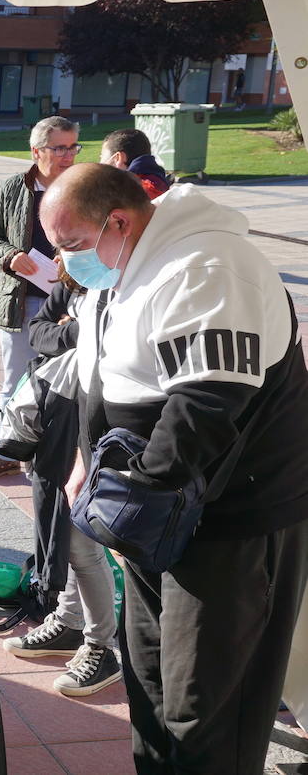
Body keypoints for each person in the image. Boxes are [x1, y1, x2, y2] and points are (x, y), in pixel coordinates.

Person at [42, 163, 308, 774]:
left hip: (226, 523)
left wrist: (135, 491)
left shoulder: (208, 267)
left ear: (120, 220)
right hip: (160, 518)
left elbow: (207, 403)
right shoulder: (124, 263)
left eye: (73, 245)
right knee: (153, 682)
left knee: (205, 701)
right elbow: (101, 374)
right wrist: (91, 464)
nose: (64, 263)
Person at [0, 264, 122, 698]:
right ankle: (70, 624)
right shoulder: (75, 280)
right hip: (57, 420)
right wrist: (74, 334)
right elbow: (38, 331)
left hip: (95, 424)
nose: (68, 253)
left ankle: (101, 646)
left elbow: (114, 348)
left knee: (83, 545)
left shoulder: (124, 282)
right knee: (61, 534)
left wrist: (76, 333)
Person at [0, 115, 80, 482]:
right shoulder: (16, 188)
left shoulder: (84, 188)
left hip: (71, 308)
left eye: (72, 147)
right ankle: (7, 452)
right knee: (16, 382)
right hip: (22, 304)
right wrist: (9, 256)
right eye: (59, 148)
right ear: (36, 151)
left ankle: (58, 457)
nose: (67, 155)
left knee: (68, 384)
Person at [99, 128, 170, 198]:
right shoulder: (159, 181)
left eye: (102, 156)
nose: (100, 162)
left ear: (118, 158)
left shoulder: (125, 194)